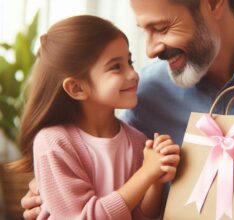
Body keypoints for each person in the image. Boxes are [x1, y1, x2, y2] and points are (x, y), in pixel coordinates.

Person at [22, 0, 234, 219]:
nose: (151, 50)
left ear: (214, 2)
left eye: (163, 27)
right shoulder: (147, 91)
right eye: (145, 30)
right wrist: (50, 191)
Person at [14, 15, 180, 219]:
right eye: (116, 67)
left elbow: (141, 215)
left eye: (130, 62)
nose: (133, 74)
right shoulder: (54, 143)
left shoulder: (137, 141)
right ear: (76, 88)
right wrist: (145, 174)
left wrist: (155, 179)